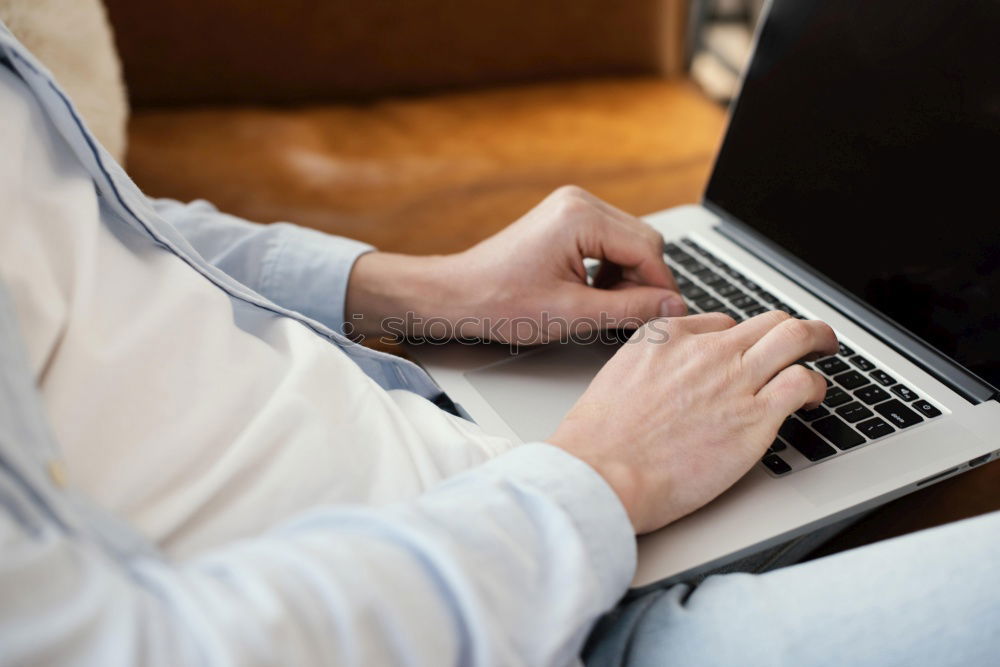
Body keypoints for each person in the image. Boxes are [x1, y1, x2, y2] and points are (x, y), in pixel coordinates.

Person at [0, 20, 997, 667]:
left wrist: (431, 291)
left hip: (456, 439)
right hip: (534, 620)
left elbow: (90, 234)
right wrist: (600, 475)